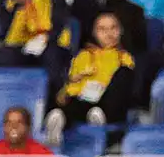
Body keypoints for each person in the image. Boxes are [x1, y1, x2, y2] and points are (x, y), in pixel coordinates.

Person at [44, 12, 135, 147]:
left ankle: (99, 119)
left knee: (122, 77)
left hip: (106, 102)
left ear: (120, 31)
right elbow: (72, 86)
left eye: (113, 28)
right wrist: (74, 84)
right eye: (102, 29)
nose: (108, 33)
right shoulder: (83, 55)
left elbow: (122, 89)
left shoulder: (125, 58)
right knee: (71, 100)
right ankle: (58, 121)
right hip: (83, 99)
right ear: (94, 32)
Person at [0, 0, 71, 94]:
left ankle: (53, 102)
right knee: (5, 55)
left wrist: (45, 38)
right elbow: (6, 31)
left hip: (49, 42)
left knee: (52, 55)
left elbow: (60, 22)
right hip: (21, 44)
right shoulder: (5, 0)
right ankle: (12, 95)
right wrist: (19, 5)